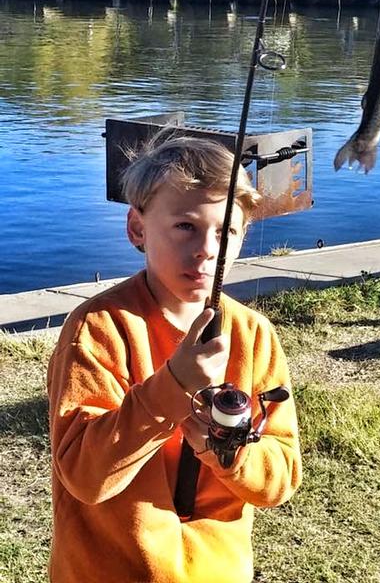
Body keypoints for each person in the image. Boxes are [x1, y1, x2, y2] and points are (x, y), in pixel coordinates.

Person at [47, 133, 302, 583]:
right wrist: (173, 388)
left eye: (226, 232)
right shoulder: (98, 329)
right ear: (137, 228)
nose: (207, 248)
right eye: (186, 226)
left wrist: (227, 450)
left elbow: (279, 480)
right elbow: (86, 477)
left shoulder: (254, 335)